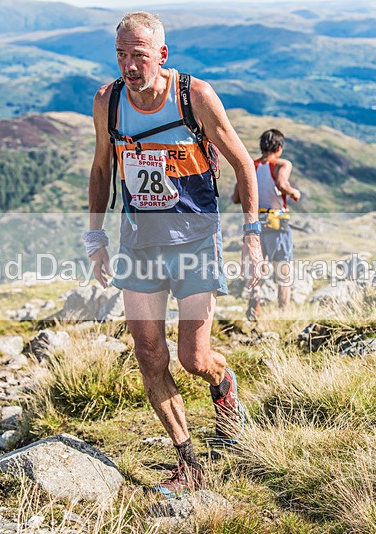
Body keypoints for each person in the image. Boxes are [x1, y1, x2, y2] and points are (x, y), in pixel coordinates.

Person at [83, 11, 264, 497]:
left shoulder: (194, 96)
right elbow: (101, 168)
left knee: (193, 357)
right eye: (120, 54)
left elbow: (243, 163)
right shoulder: (109, 101)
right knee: (148, 353)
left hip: (196, 241)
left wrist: (251, 234)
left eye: (138, 55)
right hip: (138, 242)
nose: (128, 65)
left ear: (161, 55)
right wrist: (95, 237)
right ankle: (189, 461)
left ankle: (223, 385)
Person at [233, 129, 300, 316]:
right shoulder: (282, 164)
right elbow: (281, 183)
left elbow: (236, 197)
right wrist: (293, 192)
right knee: (283, 270)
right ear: (279, 148)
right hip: (277, 224)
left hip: (255, 225)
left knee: (258, 266)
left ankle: (255, 297)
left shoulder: (249, 166)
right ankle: (283, 313)